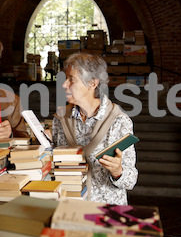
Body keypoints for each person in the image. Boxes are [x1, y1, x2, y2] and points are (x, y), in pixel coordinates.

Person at [51, 52, 137, 205]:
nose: (64, 85)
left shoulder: (119, 121)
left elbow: (130, 180)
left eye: (71, 79)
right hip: (70, 207)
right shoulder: (60, 119)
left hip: (106, 210)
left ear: (92, 83)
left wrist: (118, 172)